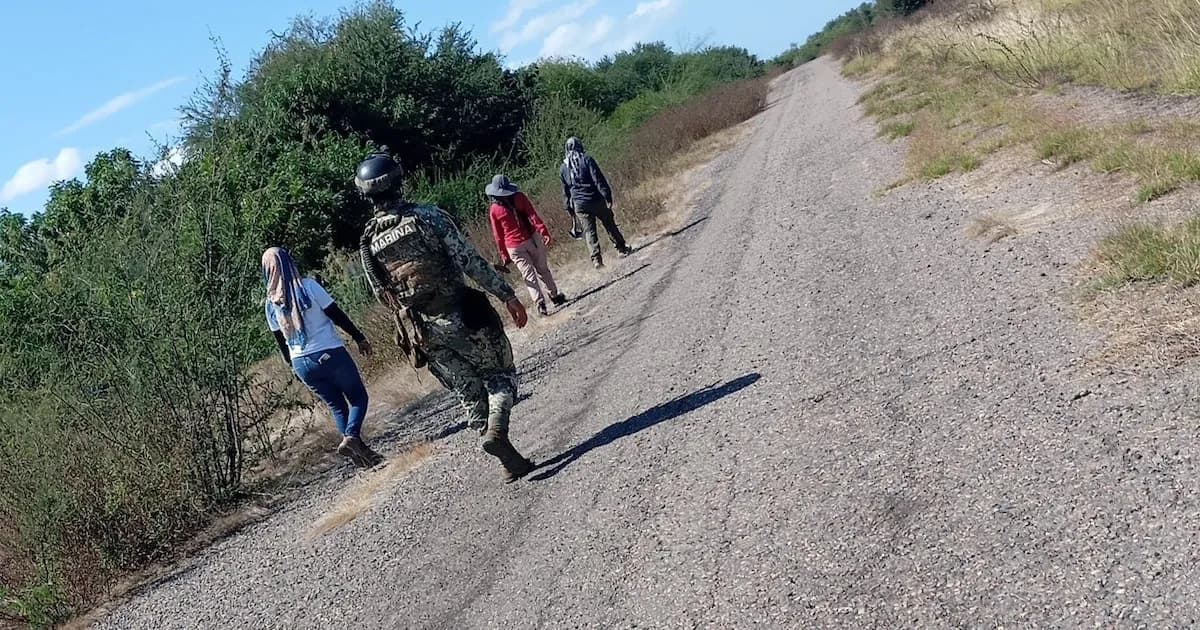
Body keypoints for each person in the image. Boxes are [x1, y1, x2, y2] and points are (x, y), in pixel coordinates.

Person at [355, 149, 536, 483]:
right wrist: (507, 295)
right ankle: (497, 431)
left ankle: (509, 461)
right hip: (462, 315)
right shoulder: (427, 216)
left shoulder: (368, 242)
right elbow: (469, 260)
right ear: (398, 182)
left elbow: (383, 294)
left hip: (422, 333)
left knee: (469, 393)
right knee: (501, 375)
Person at [262, 247, 382, 468]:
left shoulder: (270, 305)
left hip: (301, 362)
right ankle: (352, 437)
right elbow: (337, 315)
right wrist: (359, 338)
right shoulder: (308, 287)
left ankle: (362, 458)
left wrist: (293, 368)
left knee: (337, 407)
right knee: (358, 398)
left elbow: (282, 344)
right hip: (329, 352)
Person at [486, 174, 567, 317]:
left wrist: (504, 254)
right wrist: (543, 231)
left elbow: (498, 235)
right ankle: (554, 295)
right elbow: (532, 215)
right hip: (532, 239)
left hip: (513, 246)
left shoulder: (494, 209)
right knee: (543, 269)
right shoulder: (519, 197)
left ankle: (540, 303)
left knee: (528, 275)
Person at [559, 136, 633, 268]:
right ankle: (622, 248)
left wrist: (568, 208)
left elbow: (566, 190)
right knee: (609, 223)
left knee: (589, 232)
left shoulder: (564, 168)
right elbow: (598, 179)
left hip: (579, 204)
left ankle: (596, 260)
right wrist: (607, 195)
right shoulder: (587, 160)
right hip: (595, 199)